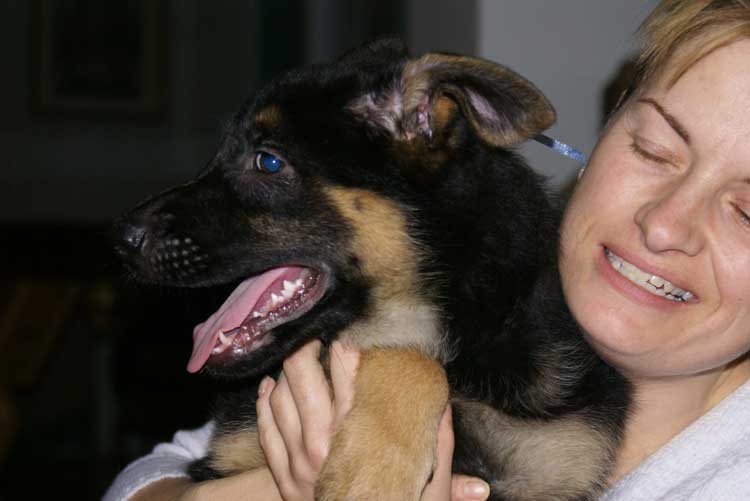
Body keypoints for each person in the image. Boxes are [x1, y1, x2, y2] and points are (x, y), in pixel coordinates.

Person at [104, 0, 750, 499]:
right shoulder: (474, 307)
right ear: (606, 125)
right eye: (653, 149)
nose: (666, 224)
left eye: (748, 209)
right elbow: (156, 472)